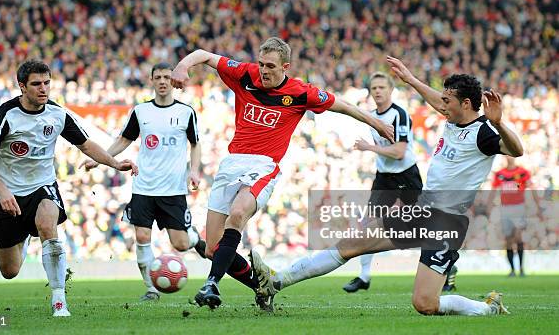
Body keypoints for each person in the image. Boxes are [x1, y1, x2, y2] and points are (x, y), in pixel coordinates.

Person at [251, 55, 524, 316]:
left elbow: (516, 150)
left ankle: (487, 308)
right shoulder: (454, 117)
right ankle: (277, 281)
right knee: (350, 245)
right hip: (421, 211)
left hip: (446, 223)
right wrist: (410, 79)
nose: (442, 104)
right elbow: (438, 102)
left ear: (465, 104)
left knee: (425, 303)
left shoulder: (484, 132)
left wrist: (499, 123)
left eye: (447, 100)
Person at [170, 37, 394, 310]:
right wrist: (183, 66)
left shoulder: (301, 93)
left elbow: (343, 106)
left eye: (271, 66)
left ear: (285, 66)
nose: (264, 70)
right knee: (212, 249)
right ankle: (262, 285)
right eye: (261, 64)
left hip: (263, 166)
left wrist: (376, 122)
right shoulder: (245, 74)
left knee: (239, 212)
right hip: (231, 164)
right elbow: (204, 54)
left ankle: (211, 284)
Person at [0, 60, 138, 317]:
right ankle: (24, 234)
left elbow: (86, 145)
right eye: (37, 84)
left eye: (47, 83)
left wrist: (114, 163)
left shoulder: (57, 114)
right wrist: (2, 190)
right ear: (22, 86)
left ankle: (59, 300)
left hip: (42, 187)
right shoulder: (5, 115)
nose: (44, 89)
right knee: (10, 271)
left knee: (48, 224)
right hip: (7, 194)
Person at [80, 62, 206, 301]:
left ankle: (195, 239)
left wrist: (195, 171)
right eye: (157, 77)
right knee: (141, 237)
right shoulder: (140, 112)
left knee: (180, 244)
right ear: (151, 80)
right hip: (144, 186)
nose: (162, 81)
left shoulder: (186, 112)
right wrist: (101, 160)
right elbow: (124, 139)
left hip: (173, 189)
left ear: (173, 81)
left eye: (167, 77)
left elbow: (195, 144)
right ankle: (151, 289)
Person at [343, 72, 423, 294]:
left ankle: (447, 265)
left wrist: (369, 148)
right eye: (374, 88)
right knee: (367, 223)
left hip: (407, 176)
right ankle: (364, 276)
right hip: (384, 177)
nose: (377, 91)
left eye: (382, 87)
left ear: (391, 90)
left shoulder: (400, 115)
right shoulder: (371, 117)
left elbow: (399, 152)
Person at [487, 156, 543, 277]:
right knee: (508, 240)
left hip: (519, 207)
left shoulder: (523, 172)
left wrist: (538, 205)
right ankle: (512, 270)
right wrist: (489, 206)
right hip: (505, 208)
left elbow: (531, 189)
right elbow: (493, 190)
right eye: (507, 154)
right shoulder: (499, 174)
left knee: (518, 237)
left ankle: (521, 268)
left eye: (511, 154)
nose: (509, 157)